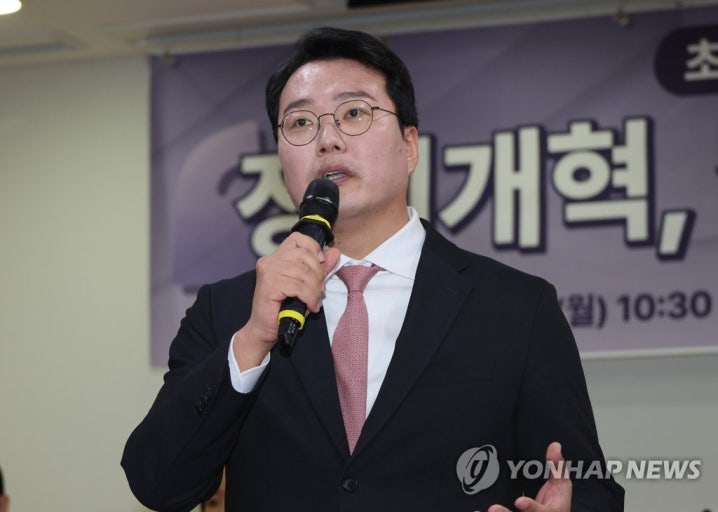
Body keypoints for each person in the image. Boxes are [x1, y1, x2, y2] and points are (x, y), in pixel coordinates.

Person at [122, 26, 624, 512]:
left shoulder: (516, 308)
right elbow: (157, 483)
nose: (327, 139)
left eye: (354, 113)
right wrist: (252, 341)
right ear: (280, 164)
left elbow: (588, 489)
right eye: (301, 123)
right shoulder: (228, 311)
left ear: (410, 146)